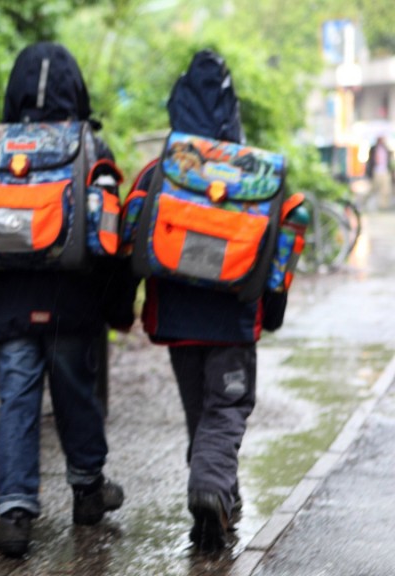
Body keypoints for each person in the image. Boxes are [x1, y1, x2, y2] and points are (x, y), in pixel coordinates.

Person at [0, 41, 137, 559]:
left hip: (13, 305)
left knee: (16, 400)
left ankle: (14, 512)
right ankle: (87, 490)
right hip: (73, 303)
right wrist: (115, 307)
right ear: (76, 89)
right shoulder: (90, 148)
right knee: (75, 393)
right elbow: (112, 238)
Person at [128, 49, 290, 553]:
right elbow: (280, 255)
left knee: (202, 416)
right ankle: (212, 493)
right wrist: (274, 315)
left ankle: (215, 511)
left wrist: (121, 306)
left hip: (177, 318)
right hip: (234, 317)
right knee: (229, 407)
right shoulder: (256, 174)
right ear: (232, 110)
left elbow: (129, 236)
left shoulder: (162, 170)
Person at [365, 135, 393, 210]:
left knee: (385, 189)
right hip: (376, 171)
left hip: (385, 171)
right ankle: (365, 203)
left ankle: (383, 206)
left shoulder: (386, 148)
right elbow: (370, 161)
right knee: (373, 189)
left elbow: (389, 160)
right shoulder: (373, 148)